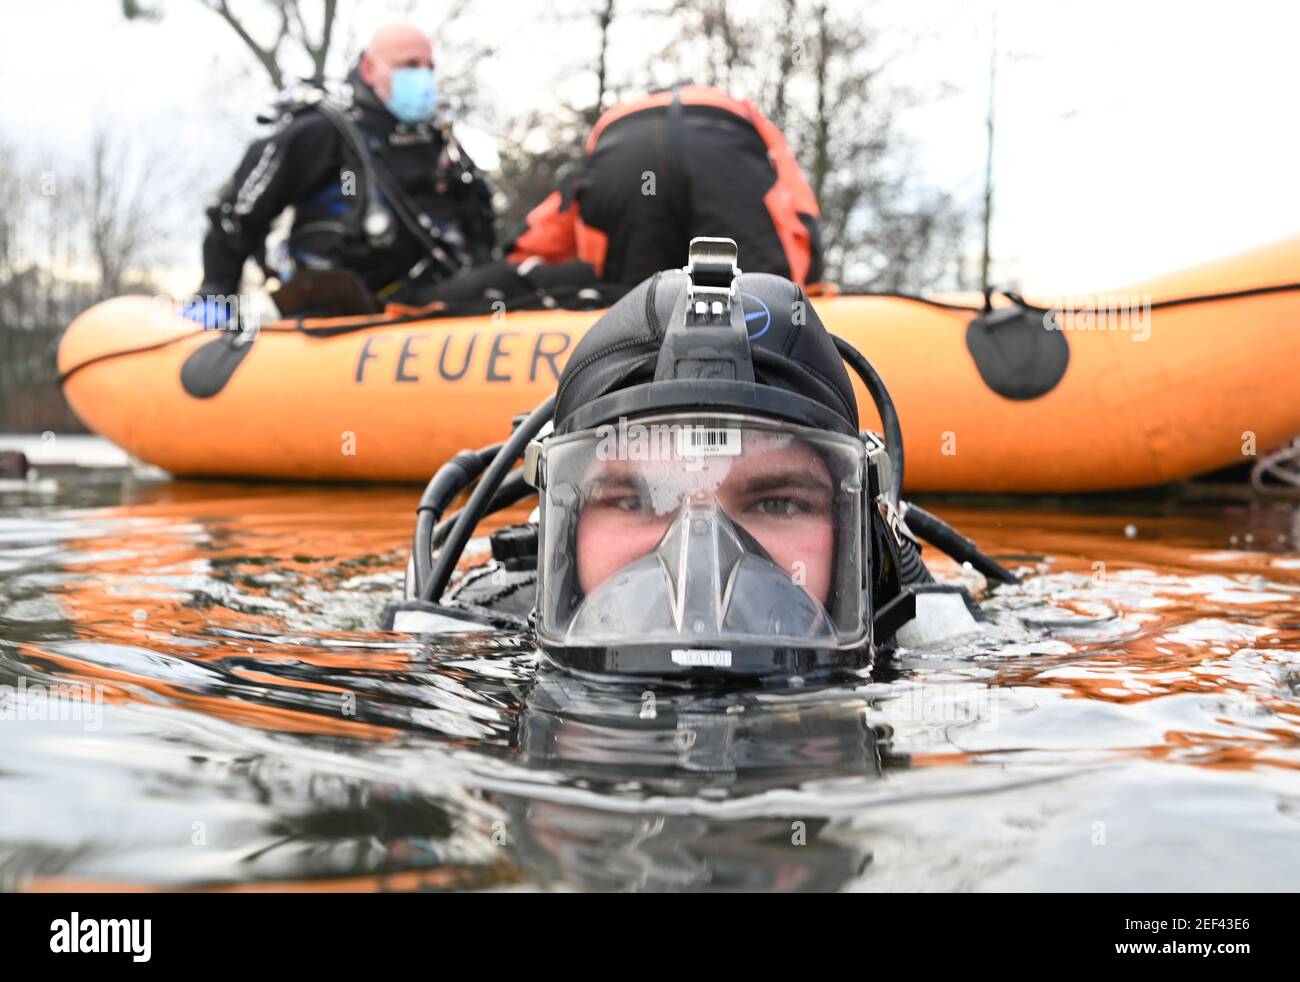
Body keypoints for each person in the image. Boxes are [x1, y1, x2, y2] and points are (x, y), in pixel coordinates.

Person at [389, 238, 1012, 679]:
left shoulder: (936, 656)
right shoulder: (479, 643)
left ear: (860, 540)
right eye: (635, 498)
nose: (701, 562)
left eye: (777, 501)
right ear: (562, 528)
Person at [189, 22, 496, 324]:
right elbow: (237, 215)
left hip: (447, 303)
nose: (423, 77)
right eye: (409, 65)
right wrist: (216, 292)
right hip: (347, 311)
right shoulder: (328, 133)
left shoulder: (439, 146)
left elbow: (480, 230)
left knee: (521, 281)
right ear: (369, 69)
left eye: (429, 67)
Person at [423, 85, 825, 310]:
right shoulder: (746, 117)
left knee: (634, 308)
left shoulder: (617, 125)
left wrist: (503, 271)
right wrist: (814, 284)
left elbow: (557, 216)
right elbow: (795, 202)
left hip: (621, 146)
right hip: (719, 144)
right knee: (768, 299)